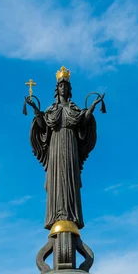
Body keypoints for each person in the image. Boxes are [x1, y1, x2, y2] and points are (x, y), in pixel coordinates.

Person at [27, 66, 103, 230]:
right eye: (61, 86)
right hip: (55, 147)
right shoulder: (51, 110)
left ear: (69, 90)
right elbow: (43, 127)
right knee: (56, 180)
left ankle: (70, 214)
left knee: (70, 179)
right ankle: (56, 215)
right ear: (57, 89)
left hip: (70, 147)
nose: (64, 88)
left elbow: (83, 123)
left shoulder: (74, 109)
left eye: (66, 86)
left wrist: (91, 108)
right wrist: (35, 111)